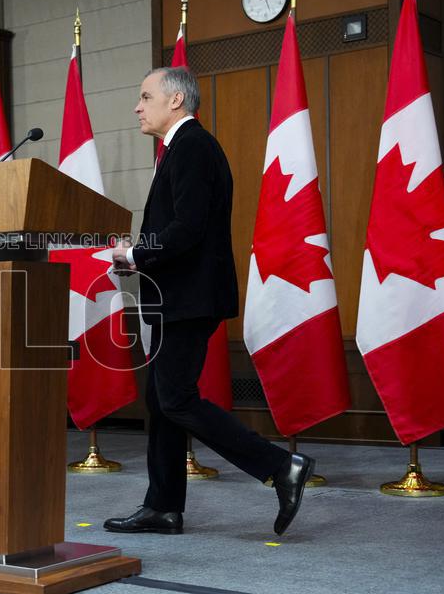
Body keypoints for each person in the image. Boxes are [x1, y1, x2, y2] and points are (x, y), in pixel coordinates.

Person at [107, 67, 313, 536]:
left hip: (190, 297)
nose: (137, 107)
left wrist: (135, 254)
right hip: (179, 294)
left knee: (176, 399)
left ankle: (281, 466)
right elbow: (180, 228)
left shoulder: (193, 146)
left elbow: (188, 228)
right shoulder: (181, 147)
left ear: (176, 100)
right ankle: (162, 507)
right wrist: (138, 259)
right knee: (162, 400)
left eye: (146, 97)